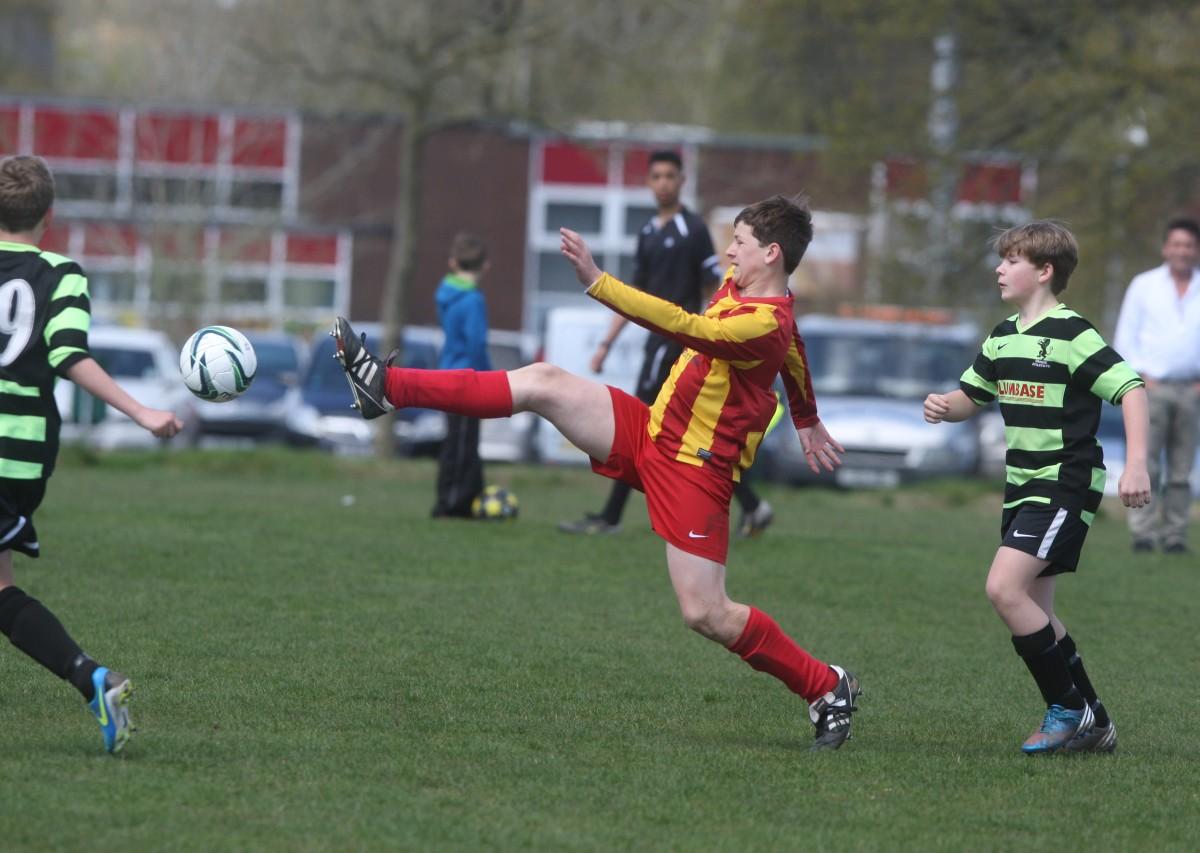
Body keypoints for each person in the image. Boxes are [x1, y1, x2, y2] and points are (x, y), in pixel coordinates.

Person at [334, 194, 862, 750]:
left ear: (772, 253)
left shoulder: (764, 325)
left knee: (706, 612)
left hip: (695, 473)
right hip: (651, 433)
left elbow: (687, 326)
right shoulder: (745, 289)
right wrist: (805, 416)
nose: (729, 250)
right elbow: (797, 350)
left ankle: (828, 687)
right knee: (542, 381)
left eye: (741, 243)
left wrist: (598, 282)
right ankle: (386, 388)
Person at [924, 221, 1150, 754]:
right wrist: (944, 405)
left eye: (1012, 260)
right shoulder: (1002, 335)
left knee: (1003, 589)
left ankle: (1067, 708)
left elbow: (1132, 389)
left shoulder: (1074, 335)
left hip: (1064, 483)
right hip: (1023, 487)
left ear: (1044, 271)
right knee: (1037, 611)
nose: (1000, 269)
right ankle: (1095, 722)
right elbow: (970, 396)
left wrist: (1136, 464)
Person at [0, 155, 184, 754]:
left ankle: (92, 678)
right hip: (25, 458)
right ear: (47, 218)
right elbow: (69, 354)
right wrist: (143, 411)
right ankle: (92, 678)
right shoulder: (64, 273)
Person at [558, 149, 775, 539]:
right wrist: (606, 343)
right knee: (657, 429)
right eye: (656, 176)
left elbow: (718, 281)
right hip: (655, 342)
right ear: (648, 182)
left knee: (644, 425)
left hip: (683, 344)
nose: (663, 183)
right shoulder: (647, 233)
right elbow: (634, 293)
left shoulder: (691, 229)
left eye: (669, 176)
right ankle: (754, 506)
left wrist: (717, 329)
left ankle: (610, 517)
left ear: (681, 181)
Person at [1112, 217, 1200, 555]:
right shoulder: (1144, 285)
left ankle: (1176, 534)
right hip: (1150, 388)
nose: (1182, 251)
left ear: (1195, 250)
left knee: (1182, 468)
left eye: (1189, 245)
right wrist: (1139, 378)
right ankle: (1143, 533)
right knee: (1145, 462)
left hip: (1190, 390)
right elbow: (1126, 335)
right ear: (1166, 248)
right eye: (1177, 244)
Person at [431, 232, 492, 518]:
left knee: (455, 440)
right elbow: (476, 343)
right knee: (465, 442)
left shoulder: (446, 296)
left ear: (452, 263)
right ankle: (453, 503)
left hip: (446, 373)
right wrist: (487, 379)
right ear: (485, 266)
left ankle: (469, 497)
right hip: (467, 379)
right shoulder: (472, 301)